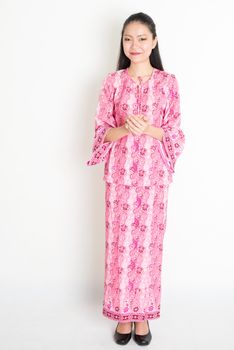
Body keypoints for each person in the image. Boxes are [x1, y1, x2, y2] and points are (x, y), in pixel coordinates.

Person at [86, 12, 185, 346]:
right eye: (128, 38)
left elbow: (175, 134)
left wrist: (150, 129)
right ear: (122, 43)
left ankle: (142, 316)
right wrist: (124, 128)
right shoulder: (112, 82)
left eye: (142, 38)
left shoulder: (168, 83)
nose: (135, 45)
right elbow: (101, 132)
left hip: (154, 180)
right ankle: (121, 316)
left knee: (147, 250)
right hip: (120, 179)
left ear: (154, 41)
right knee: (120, 249)